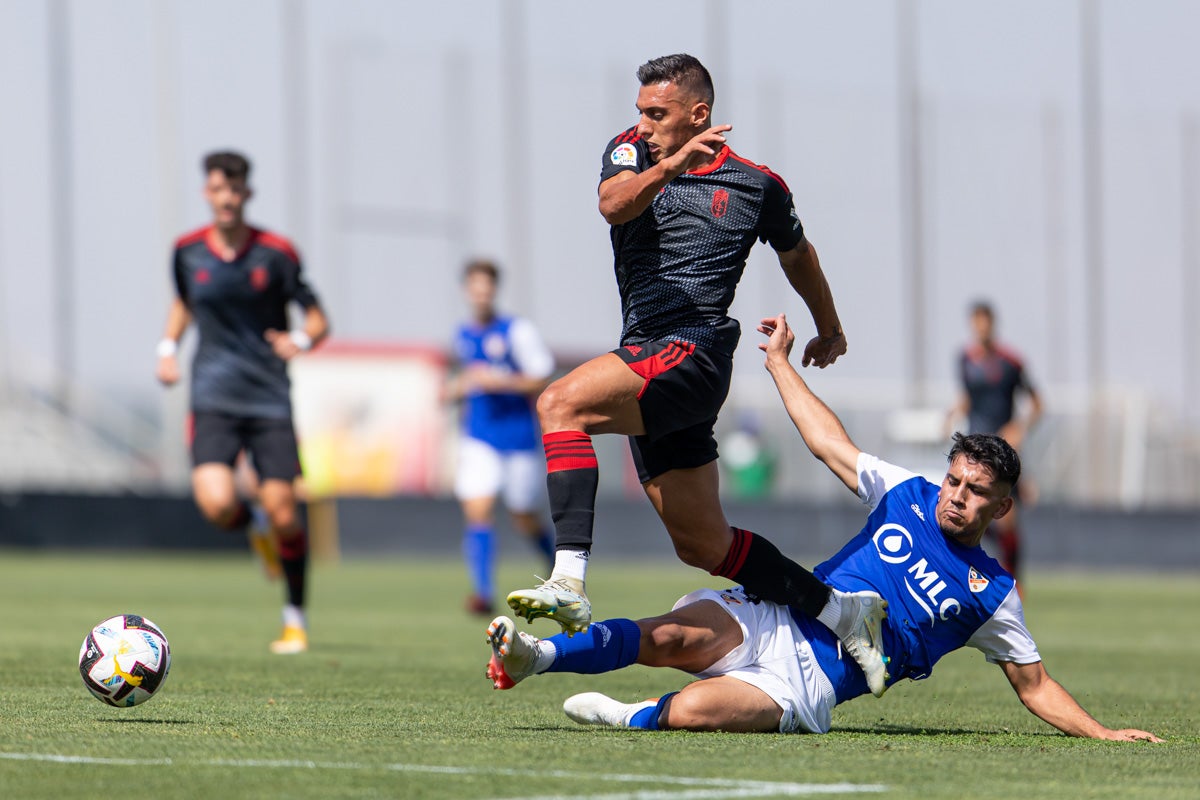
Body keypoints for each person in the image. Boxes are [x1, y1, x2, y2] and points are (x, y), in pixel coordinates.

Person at [484, 313, 1161, 743]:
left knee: (691, 712)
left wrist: (1101, 734)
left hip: (808, 685)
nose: (956, 497)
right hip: (777, 615)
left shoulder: (993, 593)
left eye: (976, 492)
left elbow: (1034, 685)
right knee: (668, 636)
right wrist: (779, 362)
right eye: (955, 481)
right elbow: (830, 444)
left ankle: (628, 715)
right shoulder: (909, 494)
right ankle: (536, 658)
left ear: (1001, 507)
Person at [503, 54, 889, 693]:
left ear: (698, 115)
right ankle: (841, 610)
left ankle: (568, 577)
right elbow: (613, 206)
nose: (644, 124)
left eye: (658, 114)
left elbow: (799, 253)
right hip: (645, 359)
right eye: (641, 113)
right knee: (704, 545)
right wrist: (669, 166)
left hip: (694, 351)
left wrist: (831, 327)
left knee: (559, 405)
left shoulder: (756, 185)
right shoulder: (630, 153)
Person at [156, 150, 329, 654]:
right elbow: (185, 301)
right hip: (213, 395)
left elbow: (318, 318)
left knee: (285, 513)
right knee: (216, 503)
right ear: (207, 194)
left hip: (268, 398)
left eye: (234, 190)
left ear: (247, 194)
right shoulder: (186, 251)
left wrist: (301, 339)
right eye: (217, 189)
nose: (226, 198)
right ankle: (253, 531)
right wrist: (167, 349)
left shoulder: (276, 253)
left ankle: (294, 617)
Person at [446, 259, 557, 616]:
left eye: (487, 287)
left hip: (518, 438)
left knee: (523, 516)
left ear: (494, 290)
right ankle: (482, 592)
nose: (481, 294)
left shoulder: (516, 331)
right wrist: (455, 389)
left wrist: (502, 381)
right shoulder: (462, 334)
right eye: (475, 287)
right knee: (477, 511)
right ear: (467, 291)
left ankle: (559, 573)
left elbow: (542, 375)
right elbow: (467, 380)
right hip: (479, 437)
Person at [945, 301, 1042, 582]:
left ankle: (1013, 583)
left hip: (1001, 450)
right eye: (976, 322)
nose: (981, 327)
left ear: (992, 324)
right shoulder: (964, 360)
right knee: (966, 510)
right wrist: (953, 412)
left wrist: (1019, 427)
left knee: (1005, 519)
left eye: (985, 322)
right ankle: (963, 576)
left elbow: (1038, 404)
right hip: (973, 448)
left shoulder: (1011, 362)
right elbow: (970, 397)